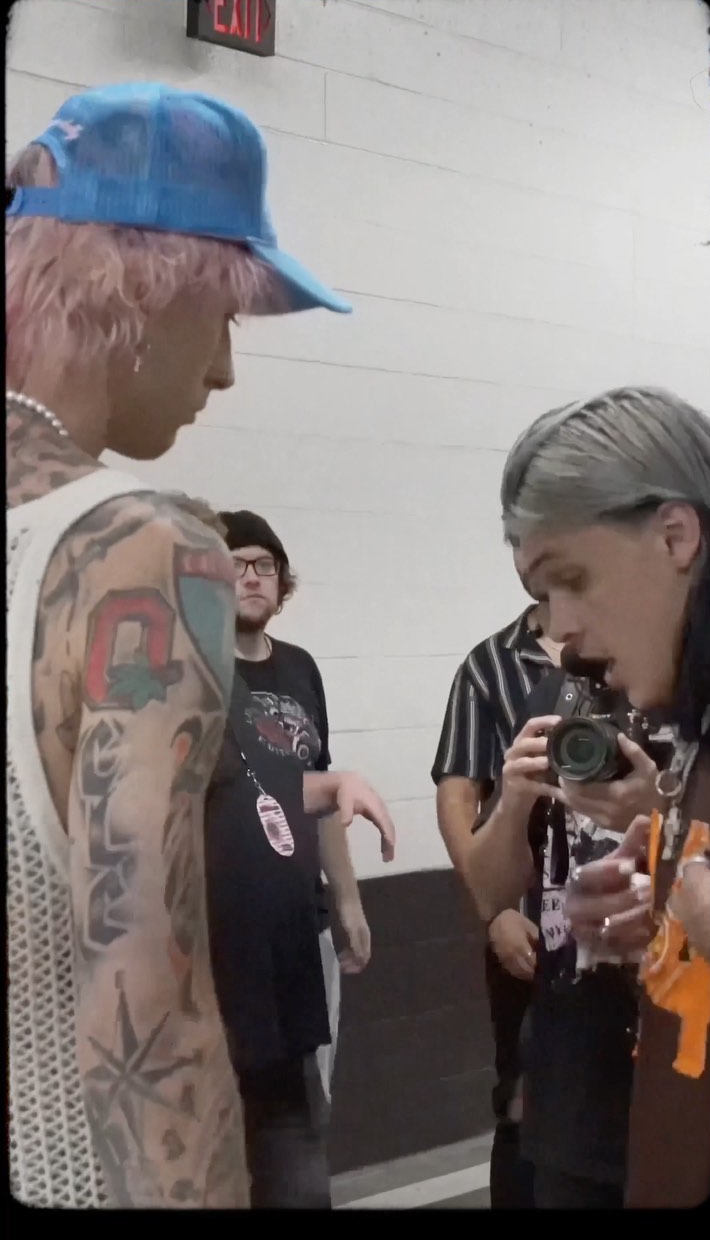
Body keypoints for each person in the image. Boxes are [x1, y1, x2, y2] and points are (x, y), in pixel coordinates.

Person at [5, 81, 395, 1209]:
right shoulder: (142, 548)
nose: (223, 369)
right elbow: (145, 995)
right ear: (148, 285)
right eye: (224, 315)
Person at [499, 385, 710, 1209]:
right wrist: (655, 918)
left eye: (573, 580)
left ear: (675, 536)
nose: (562, 629)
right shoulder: (692, 724)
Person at [205, 508, 376, 1209]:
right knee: (231, 1112)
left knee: (302, 1104)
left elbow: (322, 787)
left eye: (264, 565)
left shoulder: (300, 668)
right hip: (221, 929)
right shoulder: (192, 675)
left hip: (301, 924)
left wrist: (348, 899)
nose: (252, 576)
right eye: (235, 564)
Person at [468, 647, 663, 1208]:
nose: (566, 624)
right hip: (571, 1080)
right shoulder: (562, 692)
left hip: (677, 1076)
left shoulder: (692, 703)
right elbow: (491, 893)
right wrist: (513, 800)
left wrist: (662, 810)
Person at [432, 576, 564, 1208]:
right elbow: (458, 797)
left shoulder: (643, 648)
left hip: (620, 926)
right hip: (527, 925)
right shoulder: (489, 665)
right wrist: (495, 912)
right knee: (522, 1105)